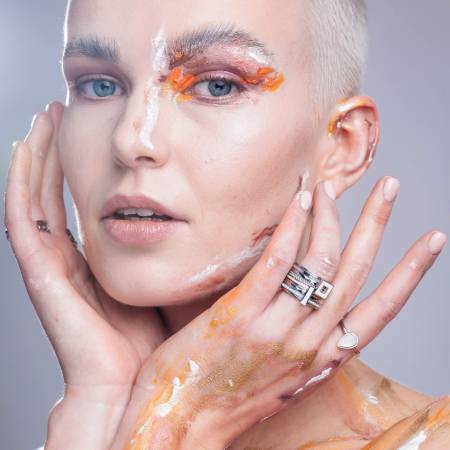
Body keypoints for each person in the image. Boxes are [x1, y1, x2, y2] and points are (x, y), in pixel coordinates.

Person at [4, 0, 449, 448]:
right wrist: (98, 403)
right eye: (99, 86)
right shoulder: (86, 416)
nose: (131, 139)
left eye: (217, 86)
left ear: (343, 145)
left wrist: (178, 420)